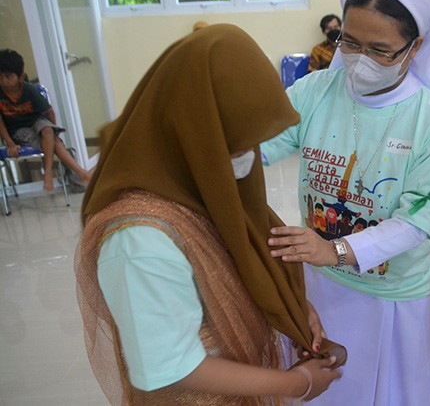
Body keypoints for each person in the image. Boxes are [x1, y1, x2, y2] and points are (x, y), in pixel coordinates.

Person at [74, 24, 344, 405]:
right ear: (191, 132)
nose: (248, 157)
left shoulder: (203, 189)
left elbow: (241, 260)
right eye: (232, 146)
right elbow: (171, 366)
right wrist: (295, 383)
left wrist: (295, 310)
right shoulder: (138, 241)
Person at [262, 0, 430, 405]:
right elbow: (257, 146)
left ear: (415, 48)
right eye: (349, 42)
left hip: (391, 295)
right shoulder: (315, 92)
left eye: (379, 50)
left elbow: (416, 221)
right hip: (320, 284)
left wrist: (335, 249)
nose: (360, 61)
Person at [0, 49, 93, 192]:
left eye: (8, 77)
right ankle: (82, 174)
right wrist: (10, 144)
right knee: (54, 143)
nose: (3, 81)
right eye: (0, 77)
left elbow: (49, 111)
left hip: (38, 122)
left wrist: (53, 131)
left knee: (49, 131)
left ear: (20, 77)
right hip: (18, 130)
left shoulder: (29, 90)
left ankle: (49, 173)